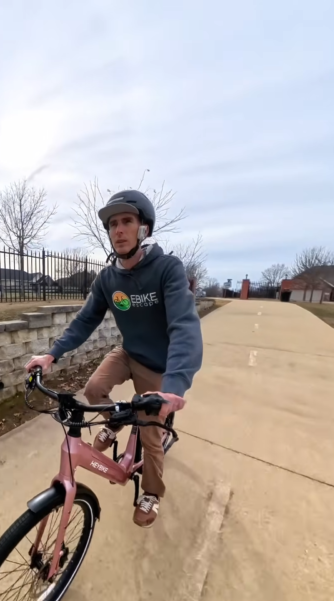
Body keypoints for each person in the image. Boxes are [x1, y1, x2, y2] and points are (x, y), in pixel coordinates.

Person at [24, 189, 203, 528]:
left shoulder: (167, 269)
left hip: (159, 366)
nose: (118, 230)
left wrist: (174, 386)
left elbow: (184, 326)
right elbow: (85, 321)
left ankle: (152, 493)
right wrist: (51, 355)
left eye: (127, 222)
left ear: (144, 228)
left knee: (150, 434)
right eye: (112, 224)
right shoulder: (108, 278)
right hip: (128, 352)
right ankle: (115, 421)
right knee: (94, 389)